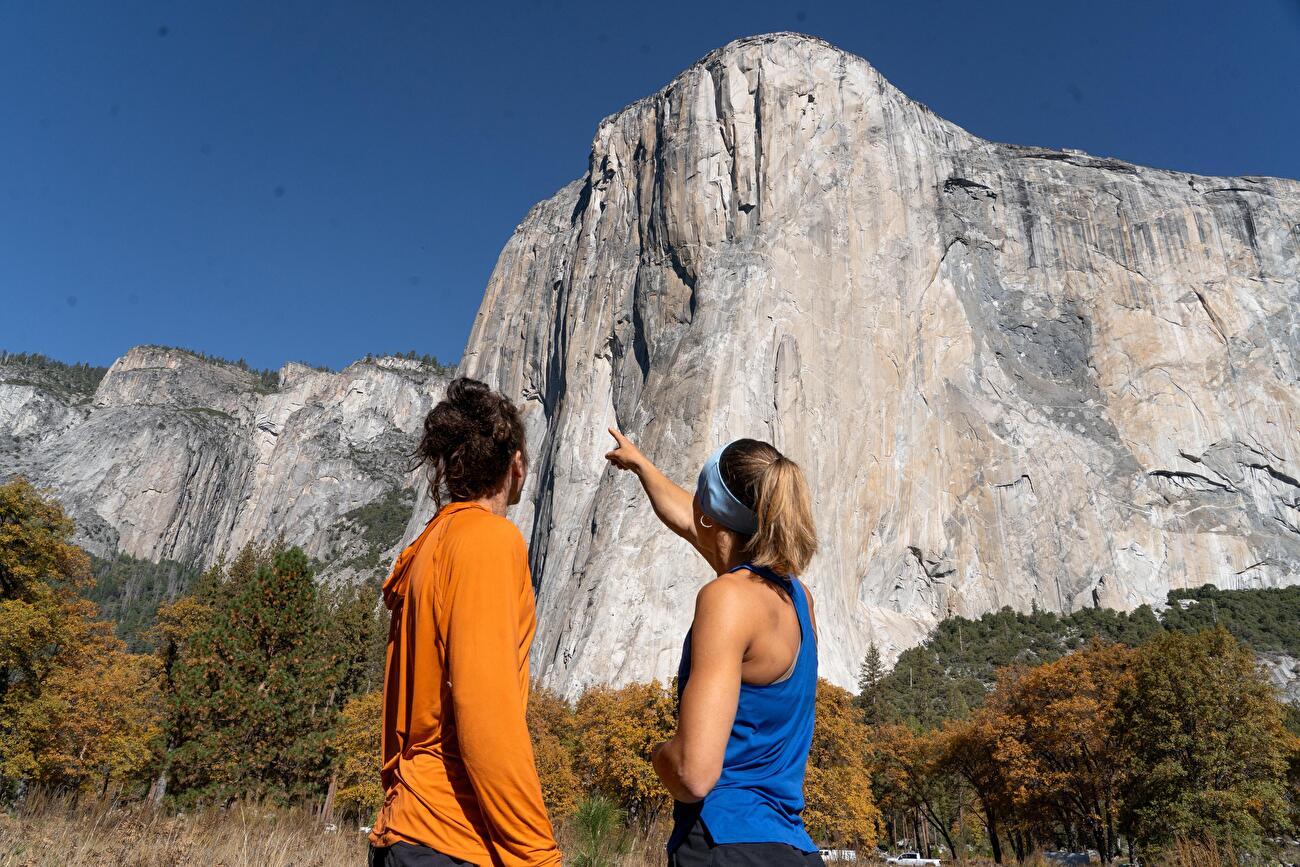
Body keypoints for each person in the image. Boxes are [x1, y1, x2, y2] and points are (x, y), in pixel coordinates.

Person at [605, 429, 826, 867]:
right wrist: (643, 466)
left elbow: (693, 773)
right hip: (790, 849)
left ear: (710, 518)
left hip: (723, 843)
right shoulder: (797, 598)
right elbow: (692, 521)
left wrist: (657, 755)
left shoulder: (726, 598)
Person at [368, 377, 561, 867]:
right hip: (453, 836)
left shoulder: (429, 546)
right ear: (515, 464)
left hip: (407, 829)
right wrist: (537, 855)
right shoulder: (490, 542)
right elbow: (486, 713)